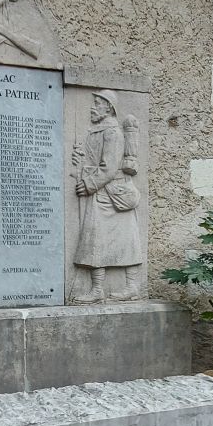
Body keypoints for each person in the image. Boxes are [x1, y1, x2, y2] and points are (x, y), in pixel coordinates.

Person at [72, 89, 141, 304]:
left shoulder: (112, 133)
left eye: (97, 103)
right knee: (95, 243)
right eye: (93, 102)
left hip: (112, 194)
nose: (93, 107)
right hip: (103, 194)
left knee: (125, 243)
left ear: (109, 107)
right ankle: (98, 289)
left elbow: (110, 168)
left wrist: (89, 184)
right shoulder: (99, 130)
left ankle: (131, 287)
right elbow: (94, 158)